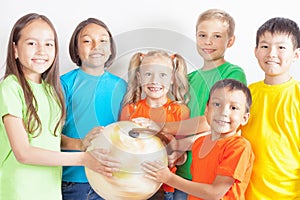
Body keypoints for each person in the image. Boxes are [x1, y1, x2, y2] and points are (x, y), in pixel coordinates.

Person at [0, 13, 116, 200]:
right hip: (19, 190)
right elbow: (23, 152)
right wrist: (82, 159)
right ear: (14, 49)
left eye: (49, 44)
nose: (41, 51)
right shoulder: (11, 87)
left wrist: (80, 144)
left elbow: (49, 138)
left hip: (50, 189)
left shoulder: (50, 90)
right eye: (32, 43)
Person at [174, 8, 247, 199]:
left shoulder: (233, 74)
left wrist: (178, 144)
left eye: (217, 36)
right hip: (182, 172)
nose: (208, 41)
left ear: (230, 41)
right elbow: (180, 121)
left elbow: (213, 124)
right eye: (203, 35)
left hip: (211, 176)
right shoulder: (188, 78)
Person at [142, 79, 255, 200]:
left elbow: (214, 193)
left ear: (244, 118)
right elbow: (200, 179)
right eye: (217, 104)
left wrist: (169, 178)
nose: (223, 112)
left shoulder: (239, 147)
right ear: (207, 110)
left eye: (233, 108)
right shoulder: (199, 143)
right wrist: (174, 158)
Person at [60, 18, 127, 200]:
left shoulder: (121, 86)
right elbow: (51, 136)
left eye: (103, 40)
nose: (96, 45)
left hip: (111, 177)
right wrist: (80, 145)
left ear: (111, 48)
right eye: (87, 40)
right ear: (76, 48)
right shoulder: (63, 84)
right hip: (76, 180)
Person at [241, 17, 300, 199]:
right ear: (256, 51)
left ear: (296, 54)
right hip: (248, 194)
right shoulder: (247, 94)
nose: (271, 53)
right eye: (265, 46)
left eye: (281, 47)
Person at [120, 50, 190, 200]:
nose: (154, 81)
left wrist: (175, 157)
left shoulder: (180, 111)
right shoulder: (130, 110)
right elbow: (123, 147)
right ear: (139, 78)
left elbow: (183, 153)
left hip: (167, 190)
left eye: (163, 75)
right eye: (148, 74)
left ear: (172, 78)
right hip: (136, 187)